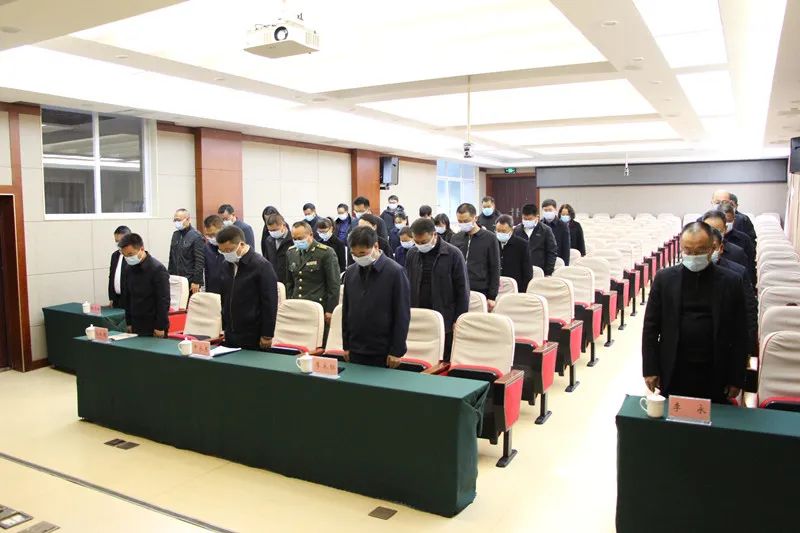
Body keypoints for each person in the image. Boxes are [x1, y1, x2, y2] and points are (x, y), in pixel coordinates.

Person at [642, 222, 747, 404]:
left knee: (712, 417)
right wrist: (650, 368)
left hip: (716, 367)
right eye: (688, 251)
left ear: (712, 248)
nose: (693, 256)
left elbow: (740, 333)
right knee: (675, 415)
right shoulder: (664, 279)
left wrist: (736, 377)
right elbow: (650, 328)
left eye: (699, 251)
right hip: (674, 365)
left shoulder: (731, 281)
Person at [342, 226, 410, 367]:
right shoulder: (350, 272)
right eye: (354, 254)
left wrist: (397, 350)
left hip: (383, 351)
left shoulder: (395, 272)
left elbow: (402, 314)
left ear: (376, 246)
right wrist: (346, 344)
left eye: (362, 253)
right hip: (355, 348)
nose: (359, 257)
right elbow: (346, 310)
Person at [406, 218, 469, 361]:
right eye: (417, 242)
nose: (420, 245)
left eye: (424, 242)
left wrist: (459, 319)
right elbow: (408, 284)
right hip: (418, 314)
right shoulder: (412, 254)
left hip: (445, 317)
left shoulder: (453, 254)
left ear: (434, 234)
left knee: (442, 359)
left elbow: (462, 290)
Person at [217, 225, 278, 350]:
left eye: (229, 250)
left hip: (253, 333)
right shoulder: (225, 265)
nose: (226, 254)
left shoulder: (261, 266)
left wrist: (267, 334)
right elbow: (225, 297)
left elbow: (270, 303)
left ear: (241, 244)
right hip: (231, 331)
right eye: (222, 251)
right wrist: (225, 327)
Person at [710, 228, 757, 357]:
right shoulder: (672, 277)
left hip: (727, 347)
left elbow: (748, 310)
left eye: (712, 248)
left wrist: (748, 348)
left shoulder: (736, 274)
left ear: (720, 248)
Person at [285, 221, 341, 327]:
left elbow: (334, 284)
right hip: (297, 306)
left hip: (317, 306)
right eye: (294, 239)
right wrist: (290, 302)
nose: (297, 241)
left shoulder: (325, 253)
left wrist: (330, 309)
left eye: (300, 238)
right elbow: (289, 283)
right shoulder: (291, 253)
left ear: (311, 235)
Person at [451, 203, 500, 311]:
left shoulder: (490, 238)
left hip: (480, 291)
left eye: (466, 221)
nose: (463, 224)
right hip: (458, 290)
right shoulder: (455, 238)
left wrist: (492, 296)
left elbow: (495, 268)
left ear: (475, 218)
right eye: (460, 221)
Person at [119, 233, 170, 337]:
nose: (128, 258)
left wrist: (160, 326)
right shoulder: (128, 269)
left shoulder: (157, 269)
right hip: (135, 323)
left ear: (141, 249)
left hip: (153, 325)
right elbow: (127, 297)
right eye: (125, 256)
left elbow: (163, 300)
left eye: (130, 254)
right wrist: (128, 322)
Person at [701, 210, 752, 285]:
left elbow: (746, 280)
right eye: (708, 231)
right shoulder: (693, 251)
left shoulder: (737, 253)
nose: (712, 235)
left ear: (725, 229)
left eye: (717, 231)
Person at [168, 209, 205, 295]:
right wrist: (169, 276)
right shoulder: (175, 235)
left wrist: (196, 281)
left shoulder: (196, 236)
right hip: (176, 279)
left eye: (178, 220)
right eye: (175, 220)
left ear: (187, 219)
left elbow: (200, 261)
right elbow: (171, 257)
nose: (176, 222)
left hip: (190, 281)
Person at [513, 204, 558, 275]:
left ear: (537, 217)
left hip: (539, 270)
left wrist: (548, 272)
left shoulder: (545, 230)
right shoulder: (517, 230)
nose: (527, 221)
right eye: (525, 219)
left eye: (530, 219)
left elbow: (551, 252)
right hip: (520, 271)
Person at [719, 201, 756, 282]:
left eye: (729, 221)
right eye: (724, 221)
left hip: (739, 279)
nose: (726, 224)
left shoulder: (744, 239)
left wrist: (751, 283)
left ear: (734, 219)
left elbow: (750, 264)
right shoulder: (711, 240)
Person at [495, 215, 532, 293]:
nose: (500, 233)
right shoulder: (492, 243)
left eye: (503, 231)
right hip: (495, 287)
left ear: (511, 230)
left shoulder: (522, 245)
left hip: (515, 288)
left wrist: (523, 291)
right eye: (498, 231)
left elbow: (527, 271)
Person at [262, 213, 292, 284]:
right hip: (274, 280)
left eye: (275, 230)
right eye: (270, 231)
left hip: (289, 280)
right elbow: (267, 261)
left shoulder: (293, 239)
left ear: (283, 225)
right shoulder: (269, 240)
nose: (273, 233)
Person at [541, 199, 571, 265]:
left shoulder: (563, 226)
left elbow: (566, 248)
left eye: (550, 210)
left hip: (558, 261)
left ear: (555, 210)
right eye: (545, 210)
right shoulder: (539, 225)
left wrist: (565, 266)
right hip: (542, 261)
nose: (548, 212)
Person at [202, 215, 226, 294]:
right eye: (207, 235)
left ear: (222, 229)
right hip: (211, 292)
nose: (211, 238)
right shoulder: (206, 248)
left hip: (228, 292)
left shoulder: (231, 248)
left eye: (213, 234)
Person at [108, 225, 131, 308]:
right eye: (116, 241)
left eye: (121, 240)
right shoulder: (115, 255)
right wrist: (111, 298)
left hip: (130, 300)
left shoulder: (134, 256)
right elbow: (111, 277)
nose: (118, 244)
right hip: (117, 300)